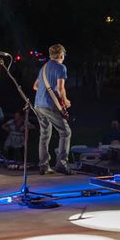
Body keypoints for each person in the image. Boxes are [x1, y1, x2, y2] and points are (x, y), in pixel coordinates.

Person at [33, 44, 73, 175]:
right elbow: (60, 88)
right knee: (65, 132)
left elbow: (35, 86)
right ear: (62, 55)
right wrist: (65, 100)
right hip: (50, 105)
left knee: (44, 134)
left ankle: (44, 165)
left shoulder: (44, 68)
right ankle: (61, 164)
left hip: (38, 105)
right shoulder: (61, 67)